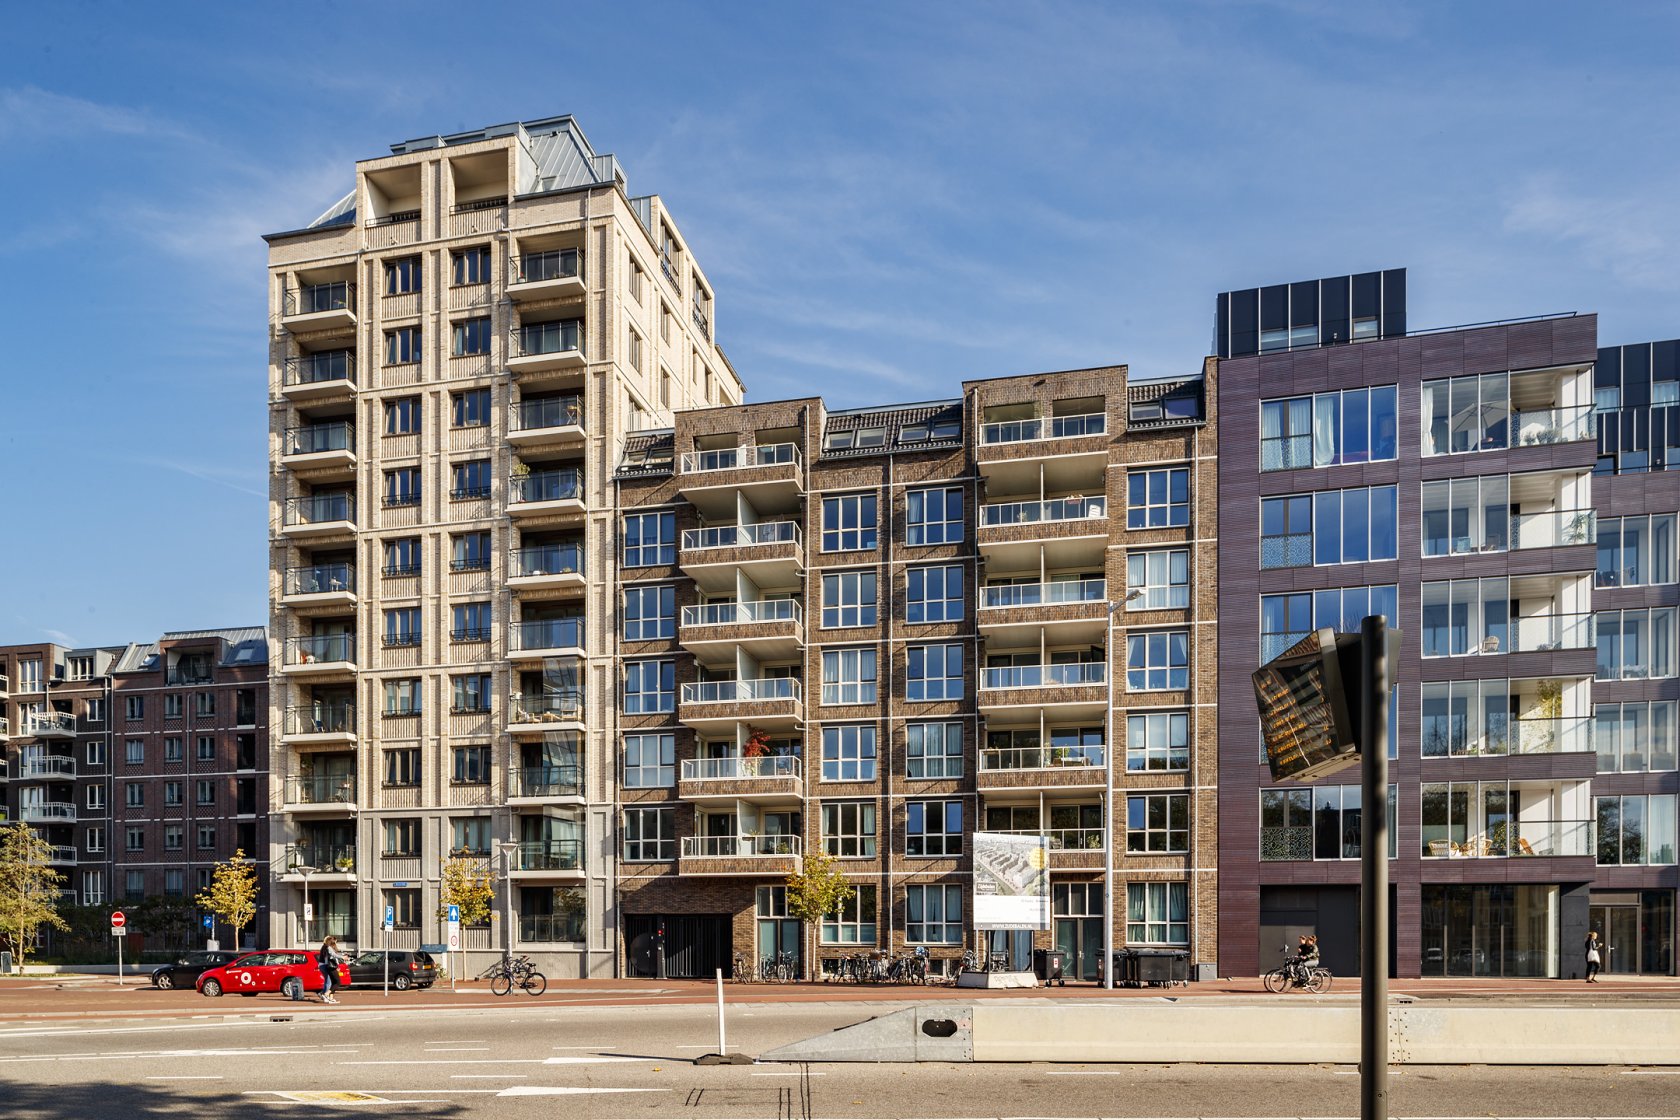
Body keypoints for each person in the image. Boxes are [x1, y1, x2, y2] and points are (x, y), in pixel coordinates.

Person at [317, 935, 344, 1004]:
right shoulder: (327, 947)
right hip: (325, 965)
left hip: (323, 965)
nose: (335, 943)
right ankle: (325, 995)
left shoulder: (325, 947)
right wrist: (342, 958)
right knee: (329, 981)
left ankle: (325, 995)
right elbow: (332, 956)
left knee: (329, 981)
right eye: (335, 942)